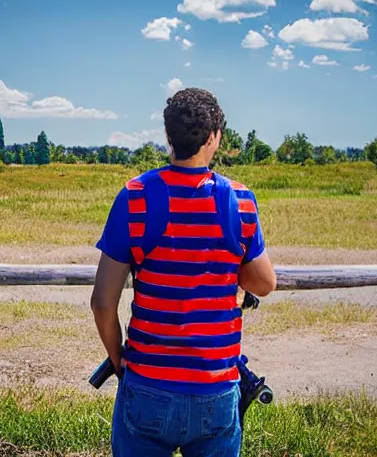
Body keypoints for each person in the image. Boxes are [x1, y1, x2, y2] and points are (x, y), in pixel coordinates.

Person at [90, 87, 277, 457]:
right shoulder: (238, 200)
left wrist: (119, 359)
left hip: (146, 383)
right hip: (214, 387)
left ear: (167, 136)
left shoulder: (135, 196)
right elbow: (265, 283)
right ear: (213, 138)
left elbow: (101, 303)